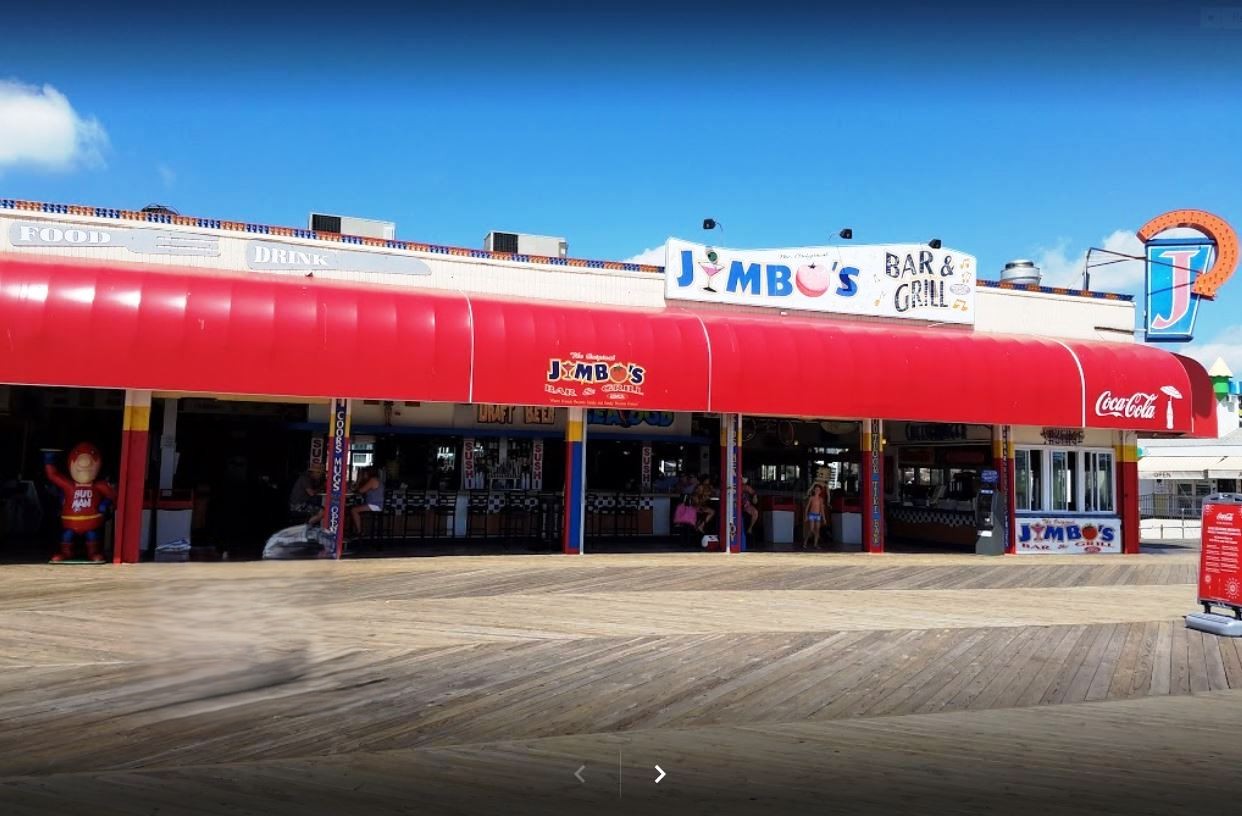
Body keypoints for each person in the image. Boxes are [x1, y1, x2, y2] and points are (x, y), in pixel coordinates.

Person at [348, 466, 384, 538]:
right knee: (354, 508)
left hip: (375, 505)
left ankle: (359, 531)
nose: (363, 474)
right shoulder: (377, 479)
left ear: (368, 473)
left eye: (364, 473)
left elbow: (360, 491)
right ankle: (358, 531)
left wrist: (359, 480)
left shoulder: (372, 480)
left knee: (354, 510)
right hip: (376, 505)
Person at [804, 484, 827, 551]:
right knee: (811, 529)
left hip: (818, 516)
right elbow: (807, 508)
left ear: (820, 491)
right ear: (814, 490)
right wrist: (806, 516)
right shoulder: (811, 498)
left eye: (818, 490)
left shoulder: (821, 499)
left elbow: (822, 510)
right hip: (811, 514)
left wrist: (824, 518)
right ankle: (805, 542)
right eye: (816, 489)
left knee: (817, 530)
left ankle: (815, 544)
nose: (817, 491)